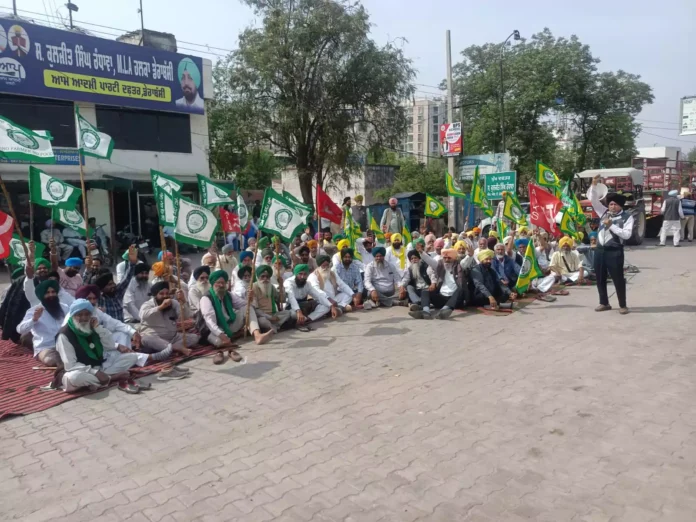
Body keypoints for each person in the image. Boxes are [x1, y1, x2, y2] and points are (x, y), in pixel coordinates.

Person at [57, 299, 143, 394]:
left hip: (99, 367)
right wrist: (95, 372)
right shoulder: (64, 335)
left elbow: (110, 345)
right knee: (73, 378)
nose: (84, 318)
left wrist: (98, 328)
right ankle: (112, 377)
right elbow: (70, 365)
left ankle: (100, 379)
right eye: (79, 315)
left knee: (132, 357)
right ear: (73, 316)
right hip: (80, 370)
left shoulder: (92, 326)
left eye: (87, 314)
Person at [199, 270, 272, 364]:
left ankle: (257, 335)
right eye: (218, 283)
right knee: (219, 341)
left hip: (228, 324)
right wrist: (222, 336)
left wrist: (249, 299)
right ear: (213, 283)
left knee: (247, 308)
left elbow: (244, 304)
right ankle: (224, 350)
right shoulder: (206, 298)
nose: (221, 285)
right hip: (212, 330)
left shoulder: (228, 294)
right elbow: (210, 322)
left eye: (223, 283)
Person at [587, 176, 633, 314]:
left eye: (615, 204)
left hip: (614, 251)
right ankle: (604, 303)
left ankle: (623, 305)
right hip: (600, 251)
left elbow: (626, 235)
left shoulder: (627, 217)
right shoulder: (604, 213)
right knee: (600, 278)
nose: (612, 206)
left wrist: (611, 226)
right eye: (610, 204)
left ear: (620, 206)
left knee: (618, 279)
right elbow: (594, 201)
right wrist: (594, 185)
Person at [139, 281, 197, 362]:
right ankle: (177, 348)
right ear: (155, 295)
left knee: (194, 338)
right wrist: (160, 307)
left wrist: (183, 302)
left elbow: (186, 316)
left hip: (173, 338)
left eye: (167, 293)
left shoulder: (173, 303)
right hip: (155, 338)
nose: (165, 296)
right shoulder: (148, 304)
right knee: (145, 339)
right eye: (161, 294)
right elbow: (143, 315)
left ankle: (171, 348)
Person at [17, 280, 69, 368]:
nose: (51, 295)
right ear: (42, 296)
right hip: (47, 347)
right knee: (52, 360)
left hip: (66, 345)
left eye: (53, 292)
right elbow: (20, 329)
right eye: (47, 293)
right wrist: (34, 319)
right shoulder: (34, 311)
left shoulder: (65, 308)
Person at [413, 248, 469, 319]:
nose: (446, 260)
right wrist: (422, 252)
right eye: (445, 258)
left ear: (454, 258)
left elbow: (466, 262)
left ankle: (444, 310)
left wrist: (469, 255)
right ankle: (426, 312)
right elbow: (430, 261)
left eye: (449, 258)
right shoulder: (440, 265)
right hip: (442, 297)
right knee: (425, 292)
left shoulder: (459, 266)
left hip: (455, 300)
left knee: (460, 289)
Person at [284, 264, 336, 328]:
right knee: (292, 314)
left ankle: (307, 319)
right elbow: (291, 298)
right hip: (292, 307)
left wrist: (331, 306)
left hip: (305, 306)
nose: (302, 277)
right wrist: (298, 311)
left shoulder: (307, 283)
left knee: (326, 307)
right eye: (300, 274)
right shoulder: (288, 283)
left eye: (305, 274)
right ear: (296, 274)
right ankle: (301, 318)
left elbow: (318, 295)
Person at [252, 265, 292, 333]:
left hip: (273, 314)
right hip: (262, 316)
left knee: (288, 313)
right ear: (258, 277)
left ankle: (273, 327)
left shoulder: (271, 286)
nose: (265, 279)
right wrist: (269, 317)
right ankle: (274, 326)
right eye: (262, 276)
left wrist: (281, 286)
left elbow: (281, 300)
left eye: (267, 277)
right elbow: (255, 309)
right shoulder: (254, 287)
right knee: (263, 321)